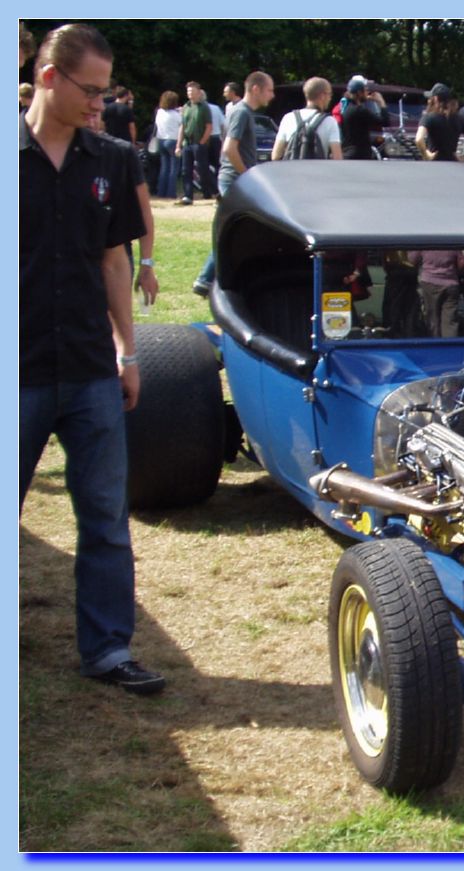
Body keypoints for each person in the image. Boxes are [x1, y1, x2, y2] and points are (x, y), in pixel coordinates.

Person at [20, 22, 164, 694]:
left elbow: (114, 261)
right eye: (92, 91)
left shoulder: (109, 158)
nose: (100, 105)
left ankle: (107, 648)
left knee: (105, 515)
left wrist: (128, 353)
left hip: (88, 370)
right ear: (49, 77)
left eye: (106, 93)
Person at [192, 70, 275, 297]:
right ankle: (206, 280)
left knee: (232, 231)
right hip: (235, 180)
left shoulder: (243, 112)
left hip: (235, 180)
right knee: (231, 232)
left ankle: (207, 280)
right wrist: (247, 176)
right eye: (269, 89)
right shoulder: (241, 113)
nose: (272, 95)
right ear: (255, 89)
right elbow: (229, 148)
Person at [272, 76, 343, 160]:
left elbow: (275, 156)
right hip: (318, 171)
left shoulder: (288, 118)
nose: (330, 98)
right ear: (322, 95)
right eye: (330, 94)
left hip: (291, 172)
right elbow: (337, 157)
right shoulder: (330, 122)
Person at [410, 250, 464, 338]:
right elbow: (461, 263)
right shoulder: (452, 239)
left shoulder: (425, 239)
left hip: (429, 282)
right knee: (450, 321)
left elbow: (412, 259)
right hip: (451, 283)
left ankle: (435, 346)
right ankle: (450, 347)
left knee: (432, 320)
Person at [417, 83, 464, 161]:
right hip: (452, 163)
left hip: (434, 163)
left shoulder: (428, 118)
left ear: (435, 99)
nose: (428, 100)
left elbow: (419, 139)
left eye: (430, 98)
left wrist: (426, 155)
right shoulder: (458, 119)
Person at [175, 80, 212, 205]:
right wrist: (178, 145)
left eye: (192, 91)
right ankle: (188, 195)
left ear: (198, 92)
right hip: (187, 143)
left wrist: (202, 142)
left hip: (198, 143)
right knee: (186, 170)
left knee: (203, 170)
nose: (190, 93)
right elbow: (182, 127)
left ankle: (208, 192)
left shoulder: (204, 107)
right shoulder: (186, 107)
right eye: (188, 91)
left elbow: (209, 127)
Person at [340, 75, 388, 160]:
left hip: (348, 153)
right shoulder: (360, 110)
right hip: (359, 155)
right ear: (359, 92)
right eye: (365, 90)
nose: (367, 93)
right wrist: (381, 103)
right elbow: (385, 122)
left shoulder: (347, 108)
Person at [152, 89, 181, 199]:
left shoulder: (159, 112)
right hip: (172, 140)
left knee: (164, 168)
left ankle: (161, 191)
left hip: (161, 140)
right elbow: (182, 125)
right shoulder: (176, 115)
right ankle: (171, 193)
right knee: (174, 168)